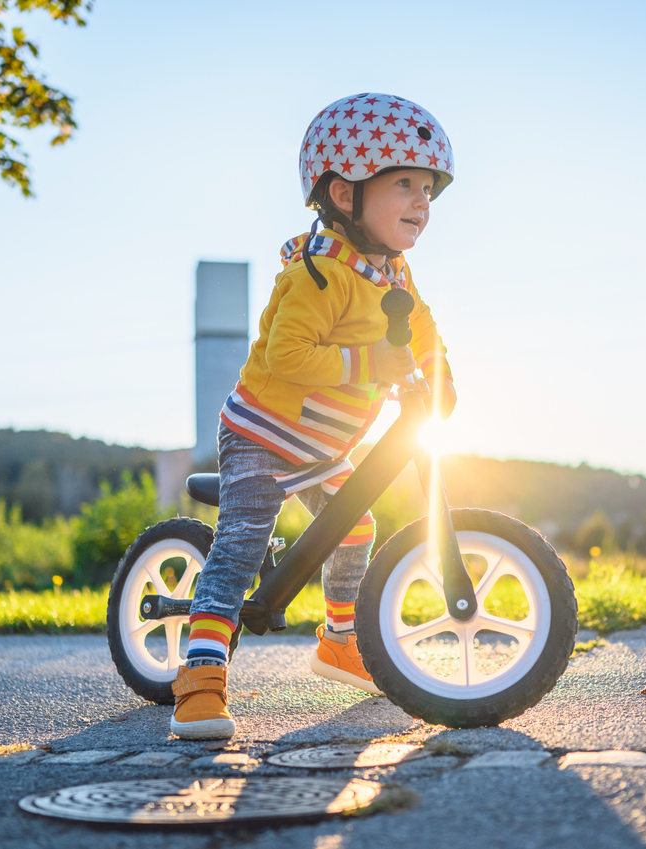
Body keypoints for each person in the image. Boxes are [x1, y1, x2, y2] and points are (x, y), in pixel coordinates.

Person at [171, 93, 458, 739]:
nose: (421, 202)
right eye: (404, 184)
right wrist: (370, 367)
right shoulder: (316, 274)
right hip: (260, 434)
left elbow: (423, 333)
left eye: (429, 190)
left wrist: (441, 380)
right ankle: (200, 676)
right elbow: (289, 355)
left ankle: (337, 640)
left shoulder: (394, 274)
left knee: (355, 528)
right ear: (344, 192)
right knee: (243, 539)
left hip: (325, 445)